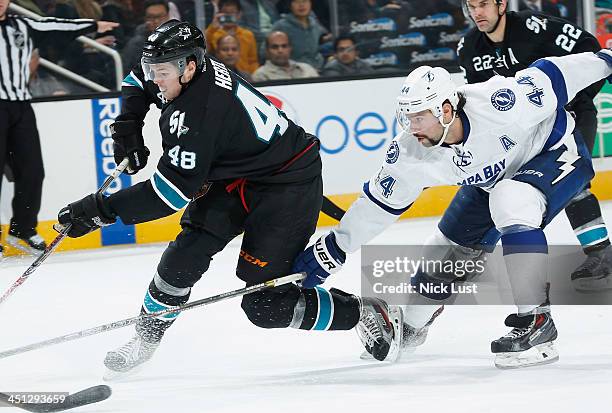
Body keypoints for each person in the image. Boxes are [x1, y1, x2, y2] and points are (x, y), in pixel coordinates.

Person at [56, 20, 393, 377]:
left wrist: (98, 211)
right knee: (184, 255)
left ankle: (363, 311)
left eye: (163, 72)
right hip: (237, 177)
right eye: (153, 68)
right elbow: (136, 80)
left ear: (189, 66)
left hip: (286, 187)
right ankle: (145, 339)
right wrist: (127, 123)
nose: (156, 79)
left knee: (265, 304)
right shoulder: (182, 72)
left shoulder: (198, 113)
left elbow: (166, 196)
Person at [292, 50, 612, 367]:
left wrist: (606, 58)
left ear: (446, 110)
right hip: (492, 179)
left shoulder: (499, 101)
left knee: (510, 199)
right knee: (442, 251)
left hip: (555, 150)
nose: (411, 126)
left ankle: (538, 323)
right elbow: (380, 203)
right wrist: (334, 247)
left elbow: (555, 73)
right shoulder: (411, 151)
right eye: (406, 117)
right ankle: (411, 329)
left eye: (419, 116)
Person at [457, 0, 612, 291]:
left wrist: (576, 100)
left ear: (501, 4)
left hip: (570, 116)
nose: (477, 13)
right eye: (471, 6)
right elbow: (478, 101)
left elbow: (588, 46)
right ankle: (476, 252)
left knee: (571, 181)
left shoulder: (534, 27)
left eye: (483, 5)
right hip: (524, 130)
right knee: (498, 185)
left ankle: (602, 254)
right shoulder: (468, 47)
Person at [0, 0, 118, 256]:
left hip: (20, 106)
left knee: (32, 170)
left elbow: (54, 26)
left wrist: (92, 24)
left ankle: (22, 229)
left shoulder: (22, 24)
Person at [270, 0, 330, 70]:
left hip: (318, 68)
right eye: (296, 2)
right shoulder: (281, 26)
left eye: (304, 1)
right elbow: (266, 52)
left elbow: (321, 41)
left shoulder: (314, 23)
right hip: (292, 71)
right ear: (290, 5)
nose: (301, 5)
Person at [205, 0, 259, 74]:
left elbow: (253, 61)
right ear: (219, 14)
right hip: (222, 75)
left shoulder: (248, 35)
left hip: (245, 77)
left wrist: (251, 76)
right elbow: (204, 51)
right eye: (225, 13)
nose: (229, 16)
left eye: (232, 13)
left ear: (239, 14)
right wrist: (212, 28)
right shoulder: (213, 34)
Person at [121, 0, 171, 75]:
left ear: (168, 16)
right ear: (145, 19)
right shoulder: (136, 45)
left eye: (160, 16)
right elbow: (127, 72)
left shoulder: (179, 37)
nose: (156, 21)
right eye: (151, 17)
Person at [252, 31, 318, 81]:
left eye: (284, 46)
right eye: (275, 47)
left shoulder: (307, 68)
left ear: (290, 48)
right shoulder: (261, 75)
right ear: (267, 51)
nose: (280, 50)